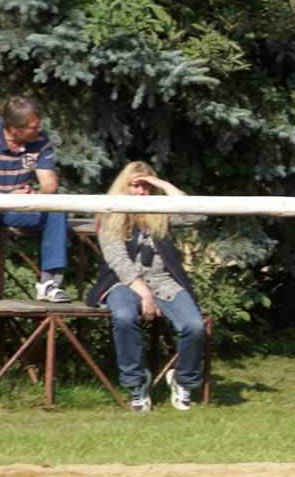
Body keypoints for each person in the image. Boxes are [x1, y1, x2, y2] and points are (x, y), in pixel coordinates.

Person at [85, 162, 207, 412]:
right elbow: (118, 260)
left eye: (146, 187)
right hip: (121, 283)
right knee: (125, 316)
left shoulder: (161, 211)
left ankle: (183, 380)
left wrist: (162, 185)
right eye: (136, 186)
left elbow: (198, 214)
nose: (141, 192)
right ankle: (136, 385)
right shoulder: (111, 214)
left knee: (194, 326)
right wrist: (145, 295)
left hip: (163, 281)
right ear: (124, 187)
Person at [0, 95, 71, 301]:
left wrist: (38, 196)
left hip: (19, 210)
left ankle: (49, 284)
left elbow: (49, 183)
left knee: (56, 208)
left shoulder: (40, 139)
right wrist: (7, 197)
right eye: (33, 126)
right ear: (13, 128)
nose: (39, 129)